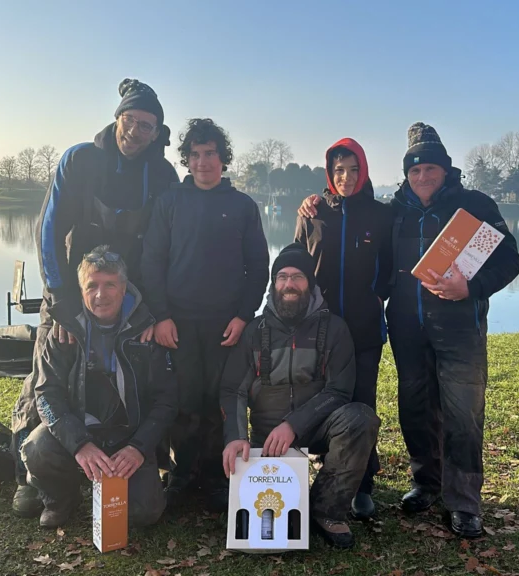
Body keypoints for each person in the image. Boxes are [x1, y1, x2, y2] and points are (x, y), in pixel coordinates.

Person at [12, 78, 179, 518]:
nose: (136, 133)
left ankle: (139, 461)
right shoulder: (80, 160)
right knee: (43, 382)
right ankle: (30, 478)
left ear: (157, 133)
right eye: (131, 121)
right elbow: (47, 231)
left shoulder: (162, 175)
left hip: (129, 298)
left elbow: (164, 242)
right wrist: (61, 298)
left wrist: (150, 311)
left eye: (147, 126)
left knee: (138, 378)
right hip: (71, 291)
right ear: (117, 118)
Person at [388, 123, 519, 538]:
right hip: (408, 329)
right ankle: (425, 483)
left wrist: (471, 287)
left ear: (446, 170)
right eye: (415, 170)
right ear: (406, 175)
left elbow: (510, 261)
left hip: (460, 330)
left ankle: (464, 501)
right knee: (415, 409)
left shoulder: (475, 206)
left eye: (430, 169)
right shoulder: (395, 210)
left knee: (463, 415)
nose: (423, 177)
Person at [140, 118, 269, 510]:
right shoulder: (169, 203)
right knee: (184, 399)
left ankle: (215, 475)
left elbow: (259, 268)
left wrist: (244, 315)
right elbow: (151, 262)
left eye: (210, 153)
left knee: (218, 399)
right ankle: (182, 474)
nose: (202, 162)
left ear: (222, 158)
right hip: (177, 324)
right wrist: (160, 315)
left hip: (225, 325)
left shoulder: (243, 206)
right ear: (187, 159)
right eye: (194, 155)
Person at [220, 244, 379, 549]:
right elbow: (233, 390)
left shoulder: (335, 329)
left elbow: (339, 390)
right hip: (265, 439)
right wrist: (236, 436)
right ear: (273, 284)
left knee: (360, 418)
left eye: (298, 277)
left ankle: (325, 510)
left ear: (311, 284)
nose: (289, 284)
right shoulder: (254, 331)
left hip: (317, 429)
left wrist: (293, 424)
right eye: (282, 277)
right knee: (263, 545)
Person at [19, 245, 178, 528]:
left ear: (125, 287)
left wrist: (139, 448)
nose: (100, 295)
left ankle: (118, 485)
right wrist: (80, 445)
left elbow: (167, 399)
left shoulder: (148, 327)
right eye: (91, 286)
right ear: (81, 290)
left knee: (143, 515)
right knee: (35, 447)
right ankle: (60, 499)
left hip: (128, 436)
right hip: (79, 429)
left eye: (110, 285)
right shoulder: (62, 331)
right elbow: (46, 395)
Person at [293, 138, 392, 519]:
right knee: (317, 399)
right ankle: (316, 467)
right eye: (338, 170)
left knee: (362, 401)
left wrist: (371, 298)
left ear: (363, 170)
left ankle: (363, 482)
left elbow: (387, 274)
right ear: (329, 173)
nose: (346, 177)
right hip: (318, 328)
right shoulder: (312, 213)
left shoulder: (381, 217)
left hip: (365, 330)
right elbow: (296, 268)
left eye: (353, 169)